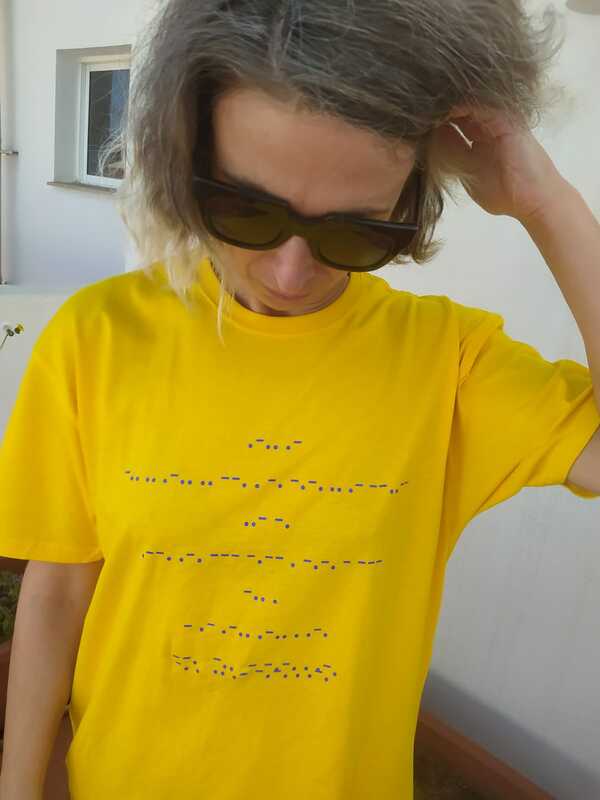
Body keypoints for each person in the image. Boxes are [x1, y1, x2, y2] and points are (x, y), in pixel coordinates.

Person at [0, 1, 599, 798]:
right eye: (246, 210)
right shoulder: (96, 337)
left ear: (406, 207)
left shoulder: (448, 363)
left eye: (355, 233)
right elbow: (56, 594)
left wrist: (546, 203)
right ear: (188, 160)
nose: (290, 271)